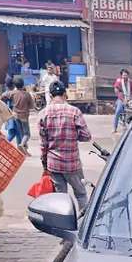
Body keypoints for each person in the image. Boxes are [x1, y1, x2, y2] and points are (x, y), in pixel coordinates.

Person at [39, 80, 92, 213]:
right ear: (65, 94)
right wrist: (74, 135)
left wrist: (45, 163)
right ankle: (83, 224)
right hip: (72, 164)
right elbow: (86, 136)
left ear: (51, 96)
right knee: (80, 194)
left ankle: (64, 225)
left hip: (54, 164)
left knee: (61, 198)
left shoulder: (44, 114)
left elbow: (43, 144)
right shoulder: (74, 112)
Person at [9, 75, 34, 153]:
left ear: (15, 85)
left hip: (16, 116)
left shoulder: (13, 93)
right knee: (27, 134)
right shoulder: (27, 94)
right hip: (24, 116)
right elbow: (31, 106)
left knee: (22, 133)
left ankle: (25, 150)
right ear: (23, 84)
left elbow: (4, 96)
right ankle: (22, 145)